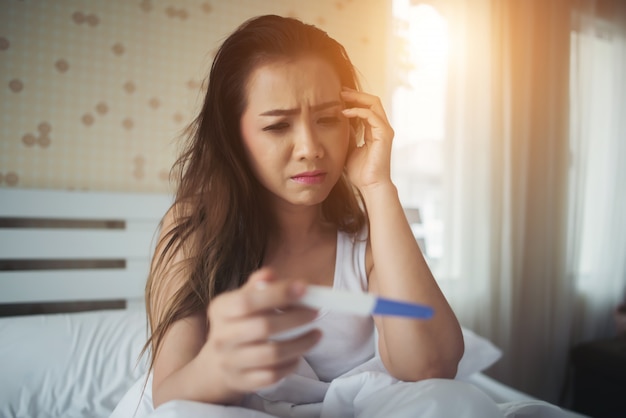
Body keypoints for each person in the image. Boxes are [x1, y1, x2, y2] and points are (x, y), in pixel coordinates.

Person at [111, 14, 506, 418]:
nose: (310, 147)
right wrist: (219, 366)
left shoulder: (369, 240)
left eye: (329, 119)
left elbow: (430, 366)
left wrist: (377, 187)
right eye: (278, 125)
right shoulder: (194, 229)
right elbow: (169, 396)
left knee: (454, 403)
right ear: (234, 136)